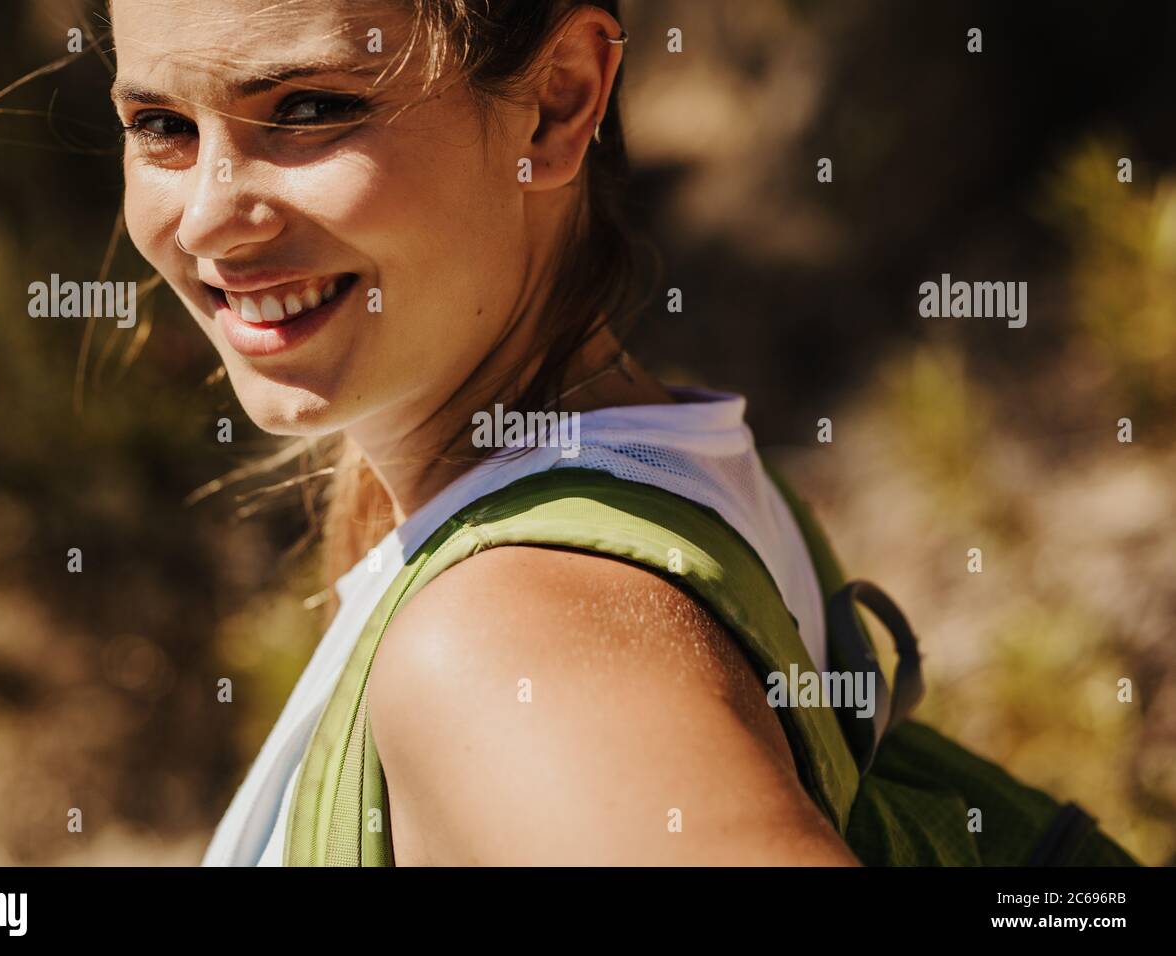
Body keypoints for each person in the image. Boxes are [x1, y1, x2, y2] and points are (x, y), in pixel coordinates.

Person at [110, 0, 860, 865]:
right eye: (161, 125)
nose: (204, 220)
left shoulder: (505, 645)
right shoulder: (684, 462)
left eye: (310, 109)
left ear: (556, 105)